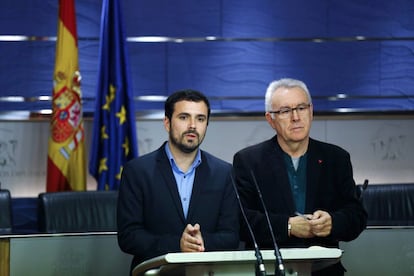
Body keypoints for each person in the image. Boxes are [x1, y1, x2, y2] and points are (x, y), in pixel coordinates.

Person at [233, 78, 367, 275]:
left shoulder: (336, 158)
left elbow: (357, 215)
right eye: (285, 111)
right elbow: (240, 221)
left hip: (324, 270)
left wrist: (333, 223)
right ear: (271, 119)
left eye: (302, 108)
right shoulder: (249, 161)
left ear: (311, 112)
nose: (296, 117)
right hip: (271, 269)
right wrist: (287, 227)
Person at [117, 89, 240, 273]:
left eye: (200, 119)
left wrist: (199, 242)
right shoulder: (137, 171)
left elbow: (231, 236)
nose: (192, 126)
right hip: (156, 272)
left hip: (206, 272)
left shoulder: (224, 173)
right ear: (167, 123)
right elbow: (129, 236)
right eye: (184, 117)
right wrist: (177, 244)